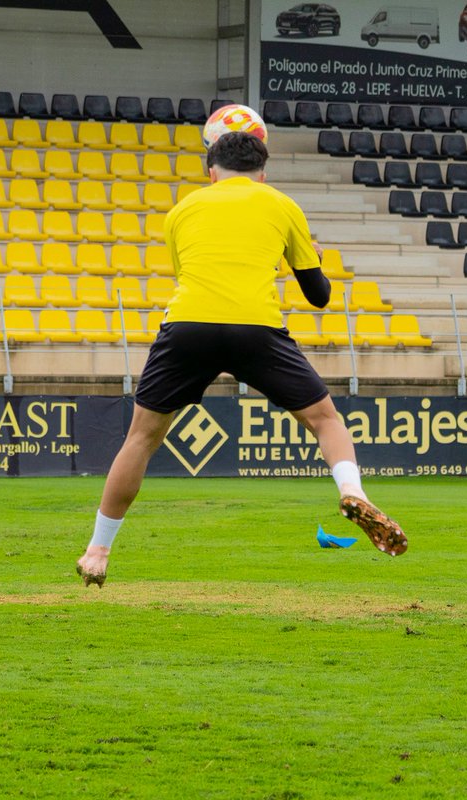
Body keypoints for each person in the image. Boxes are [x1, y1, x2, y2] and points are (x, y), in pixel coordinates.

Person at [75, 131, 407, 588]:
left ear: (211, 172)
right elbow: (319, 297)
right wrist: (311, 263)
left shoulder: (182, 210)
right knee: (325, 420)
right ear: (263, 172)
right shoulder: (281, 204)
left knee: (142, 439)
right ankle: (352, 492)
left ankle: (98, 550)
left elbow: (189, 271)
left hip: (189, 323)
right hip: (256, 326)